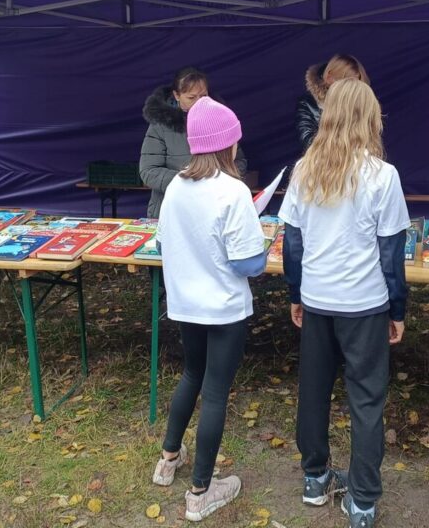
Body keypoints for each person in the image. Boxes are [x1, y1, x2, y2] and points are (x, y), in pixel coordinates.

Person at [280, 79, 410, 528]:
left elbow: (291, 245)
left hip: (317, 300)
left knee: (313, 393)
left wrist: (296, 294)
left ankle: (315, 478)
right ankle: (364, 501)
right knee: (367, 401)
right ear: (370, 119)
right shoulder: (382, 176)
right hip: (365, 305)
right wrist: (398, 310)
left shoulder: (303, 170)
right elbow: (391, 253)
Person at [152, 96, 267, 522]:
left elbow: (163, 243)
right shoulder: (234, 191)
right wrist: (261, 244)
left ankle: (167, 461)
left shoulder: (177, 187)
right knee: (215, 393)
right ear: (227, 144)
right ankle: (201, 491)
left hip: (186, 305)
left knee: (191, 376)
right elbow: (248, 264)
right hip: (223, 308)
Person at [140, 67, 247, 218]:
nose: (199, 102)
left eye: (203, 96)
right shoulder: (160, 125)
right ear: (176, 95)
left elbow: (239, 161)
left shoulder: (218, 119)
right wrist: (190, 182)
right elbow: (149, 171)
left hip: (214, 207)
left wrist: (217, 180)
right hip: (172, 210)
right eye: (191, 97)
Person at [296, 55, 370, 151]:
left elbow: (368, 140)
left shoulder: (360, 102)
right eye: (347, 82)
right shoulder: (308, 104)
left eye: (357, 83)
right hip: (322, 162)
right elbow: (309, 142)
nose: (353, 88)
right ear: (330, 78)